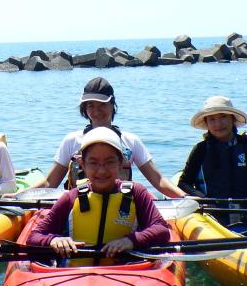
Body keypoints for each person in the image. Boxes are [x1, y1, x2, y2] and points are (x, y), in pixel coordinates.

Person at [26, 127, 171, 262]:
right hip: (76, 278)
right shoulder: (71, 197)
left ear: (121, 163)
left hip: (126, 276)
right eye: (93, 163)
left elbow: (161, 230)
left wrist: (131, 240)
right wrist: (53, 240)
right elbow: (34, 237)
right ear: (82, 164)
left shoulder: (136, 193)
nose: (101, 171)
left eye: (109, 162)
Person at [25, 76, 184, 198]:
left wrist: (185, 198)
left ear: (112, 105)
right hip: (80, 210)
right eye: (90, 105)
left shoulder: (130, 141)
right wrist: (20, 196)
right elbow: (49, 183)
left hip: (120, 212)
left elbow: (158, 180)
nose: (96, 111)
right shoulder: (72, 141)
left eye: (102, 105)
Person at [177, 95, 247, 231]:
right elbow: (184, 183)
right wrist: (205, 200)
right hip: (213, 216)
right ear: (206, 123)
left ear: (232, 119)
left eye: (223, 117)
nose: (218, 124)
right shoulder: (200, 150)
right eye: (212, 119)